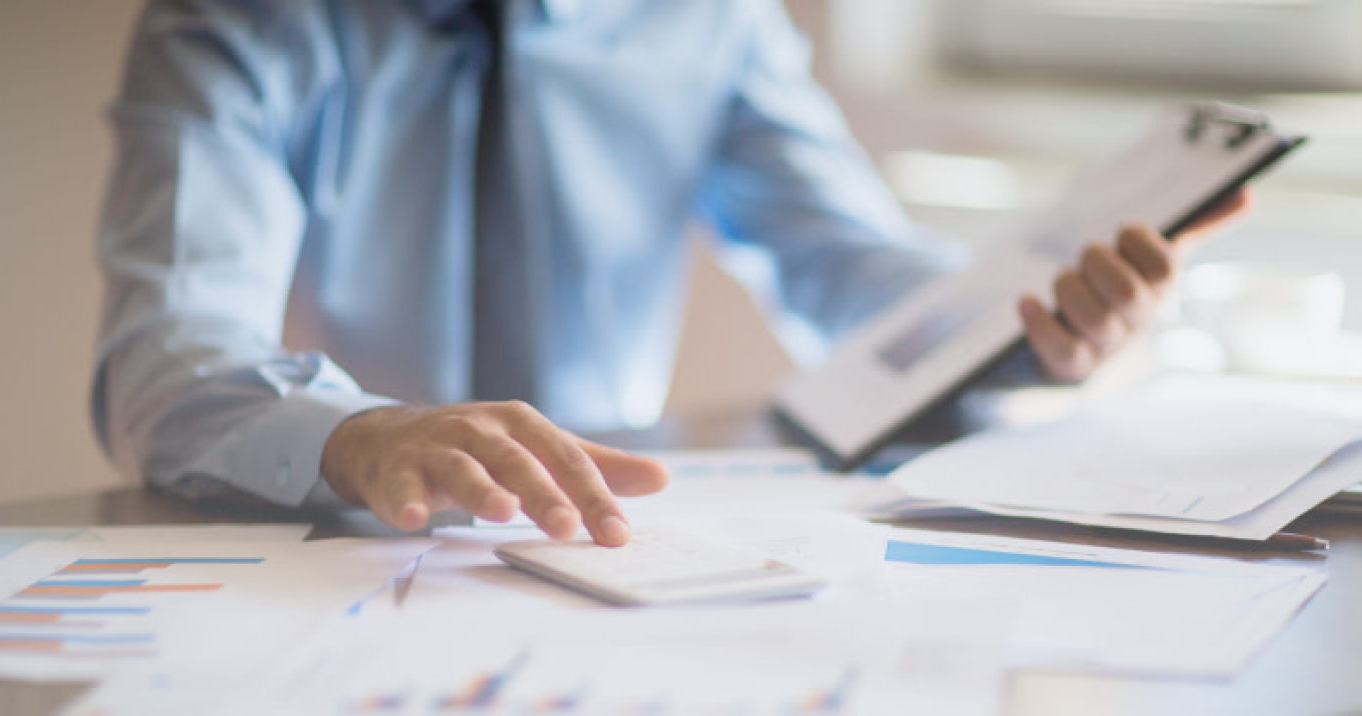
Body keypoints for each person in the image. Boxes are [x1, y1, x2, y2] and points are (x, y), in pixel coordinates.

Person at [92, 0, 1248, 548]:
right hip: (331, 539)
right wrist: (364, 434)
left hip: (610, 549)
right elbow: (167, 349)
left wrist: (1029, 325)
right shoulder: (236, 22)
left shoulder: (710, 20)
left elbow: (850, 272)